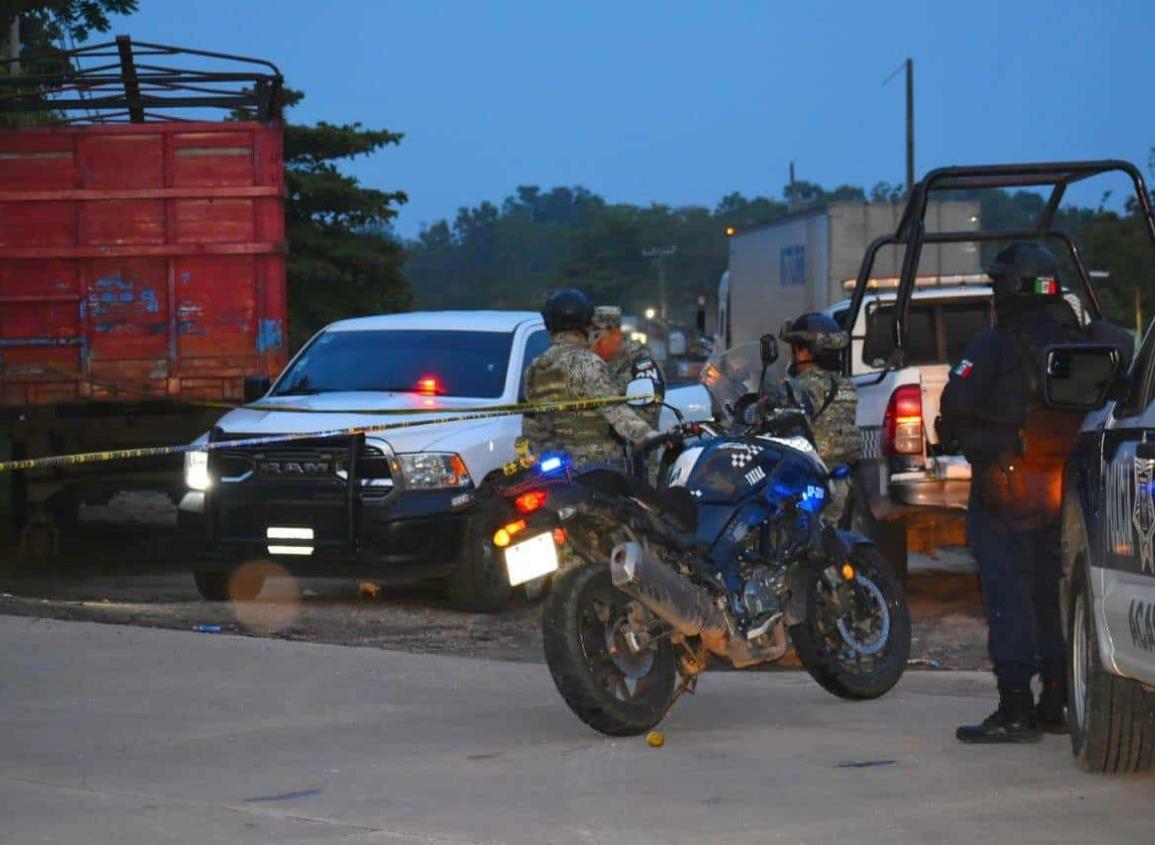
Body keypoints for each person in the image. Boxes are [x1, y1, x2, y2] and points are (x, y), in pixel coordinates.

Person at [941, 242, 1129, 744]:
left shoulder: (994, 345)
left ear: (1010, 289)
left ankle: (1016, 707)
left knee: (1009, 596)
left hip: (1009, 486)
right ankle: (1059, 698)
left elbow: (955, 404)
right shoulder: (1091, 342)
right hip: (1073, 489)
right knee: (1058, 594)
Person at [522, 289, 658, 467]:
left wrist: (534, 461)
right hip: (596, 466)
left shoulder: (535, 368)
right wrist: (653, 437)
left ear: (549, 325)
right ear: (587, 324)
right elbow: (616, 412)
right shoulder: (588, 362)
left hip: (554, 468)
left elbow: (533, 427)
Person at [779, 312, 863, 525]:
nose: (793, 355)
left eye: (795, 348)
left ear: (807, 351)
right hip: (841, 480)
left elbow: (781, 418)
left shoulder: (803, 387)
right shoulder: (848, 386)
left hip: (809, 481)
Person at [590, 305, 666, 431]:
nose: (592, 344)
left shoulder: (640, 361)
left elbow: (648, 412)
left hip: (633, 443)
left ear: (615, 335)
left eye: (597, 338)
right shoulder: (593, 361)